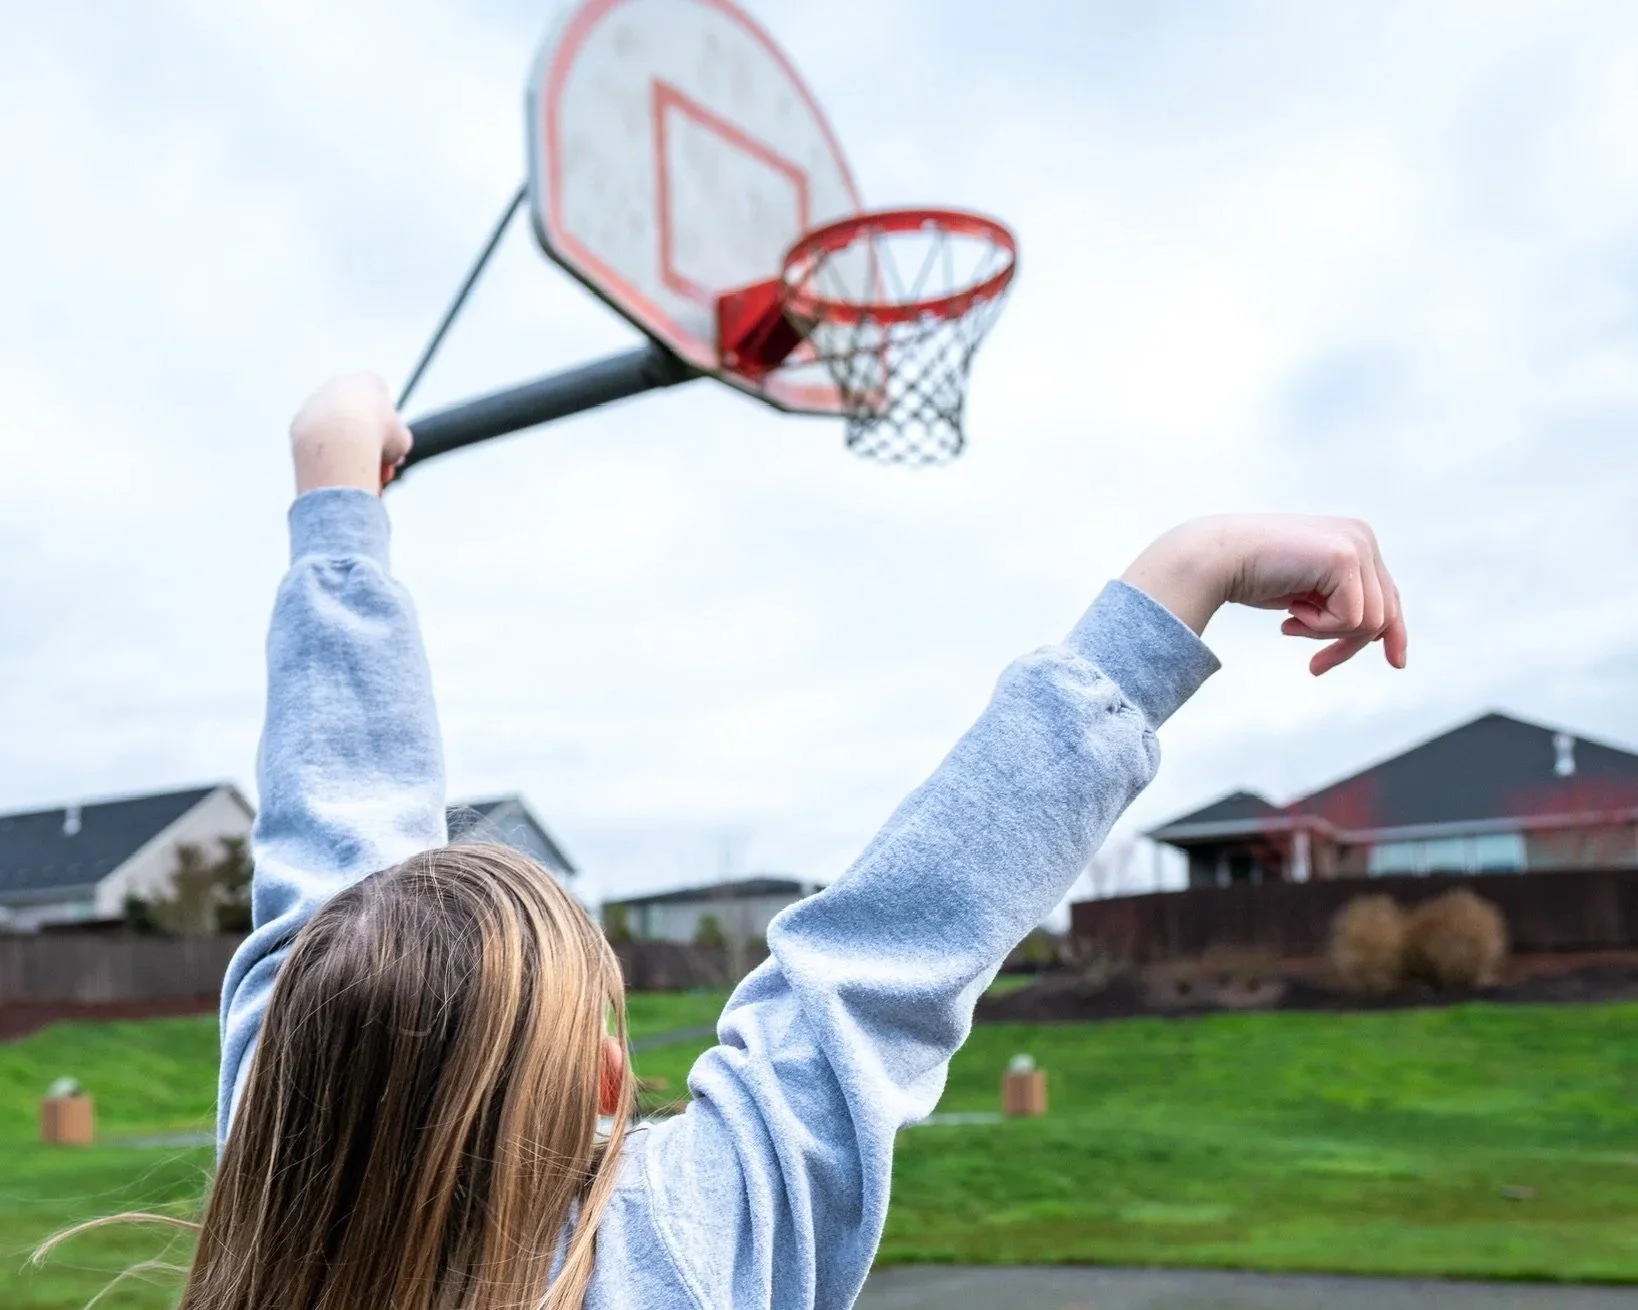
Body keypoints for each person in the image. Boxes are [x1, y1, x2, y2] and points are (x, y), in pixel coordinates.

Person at [150, 375, 1411, 1309]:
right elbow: (900, 938)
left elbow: (331, 853)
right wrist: (1195, 562)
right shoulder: (683, 1257)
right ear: (602, 1088)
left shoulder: (280, 1173)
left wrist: (335, 513)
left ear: (291, 1079)